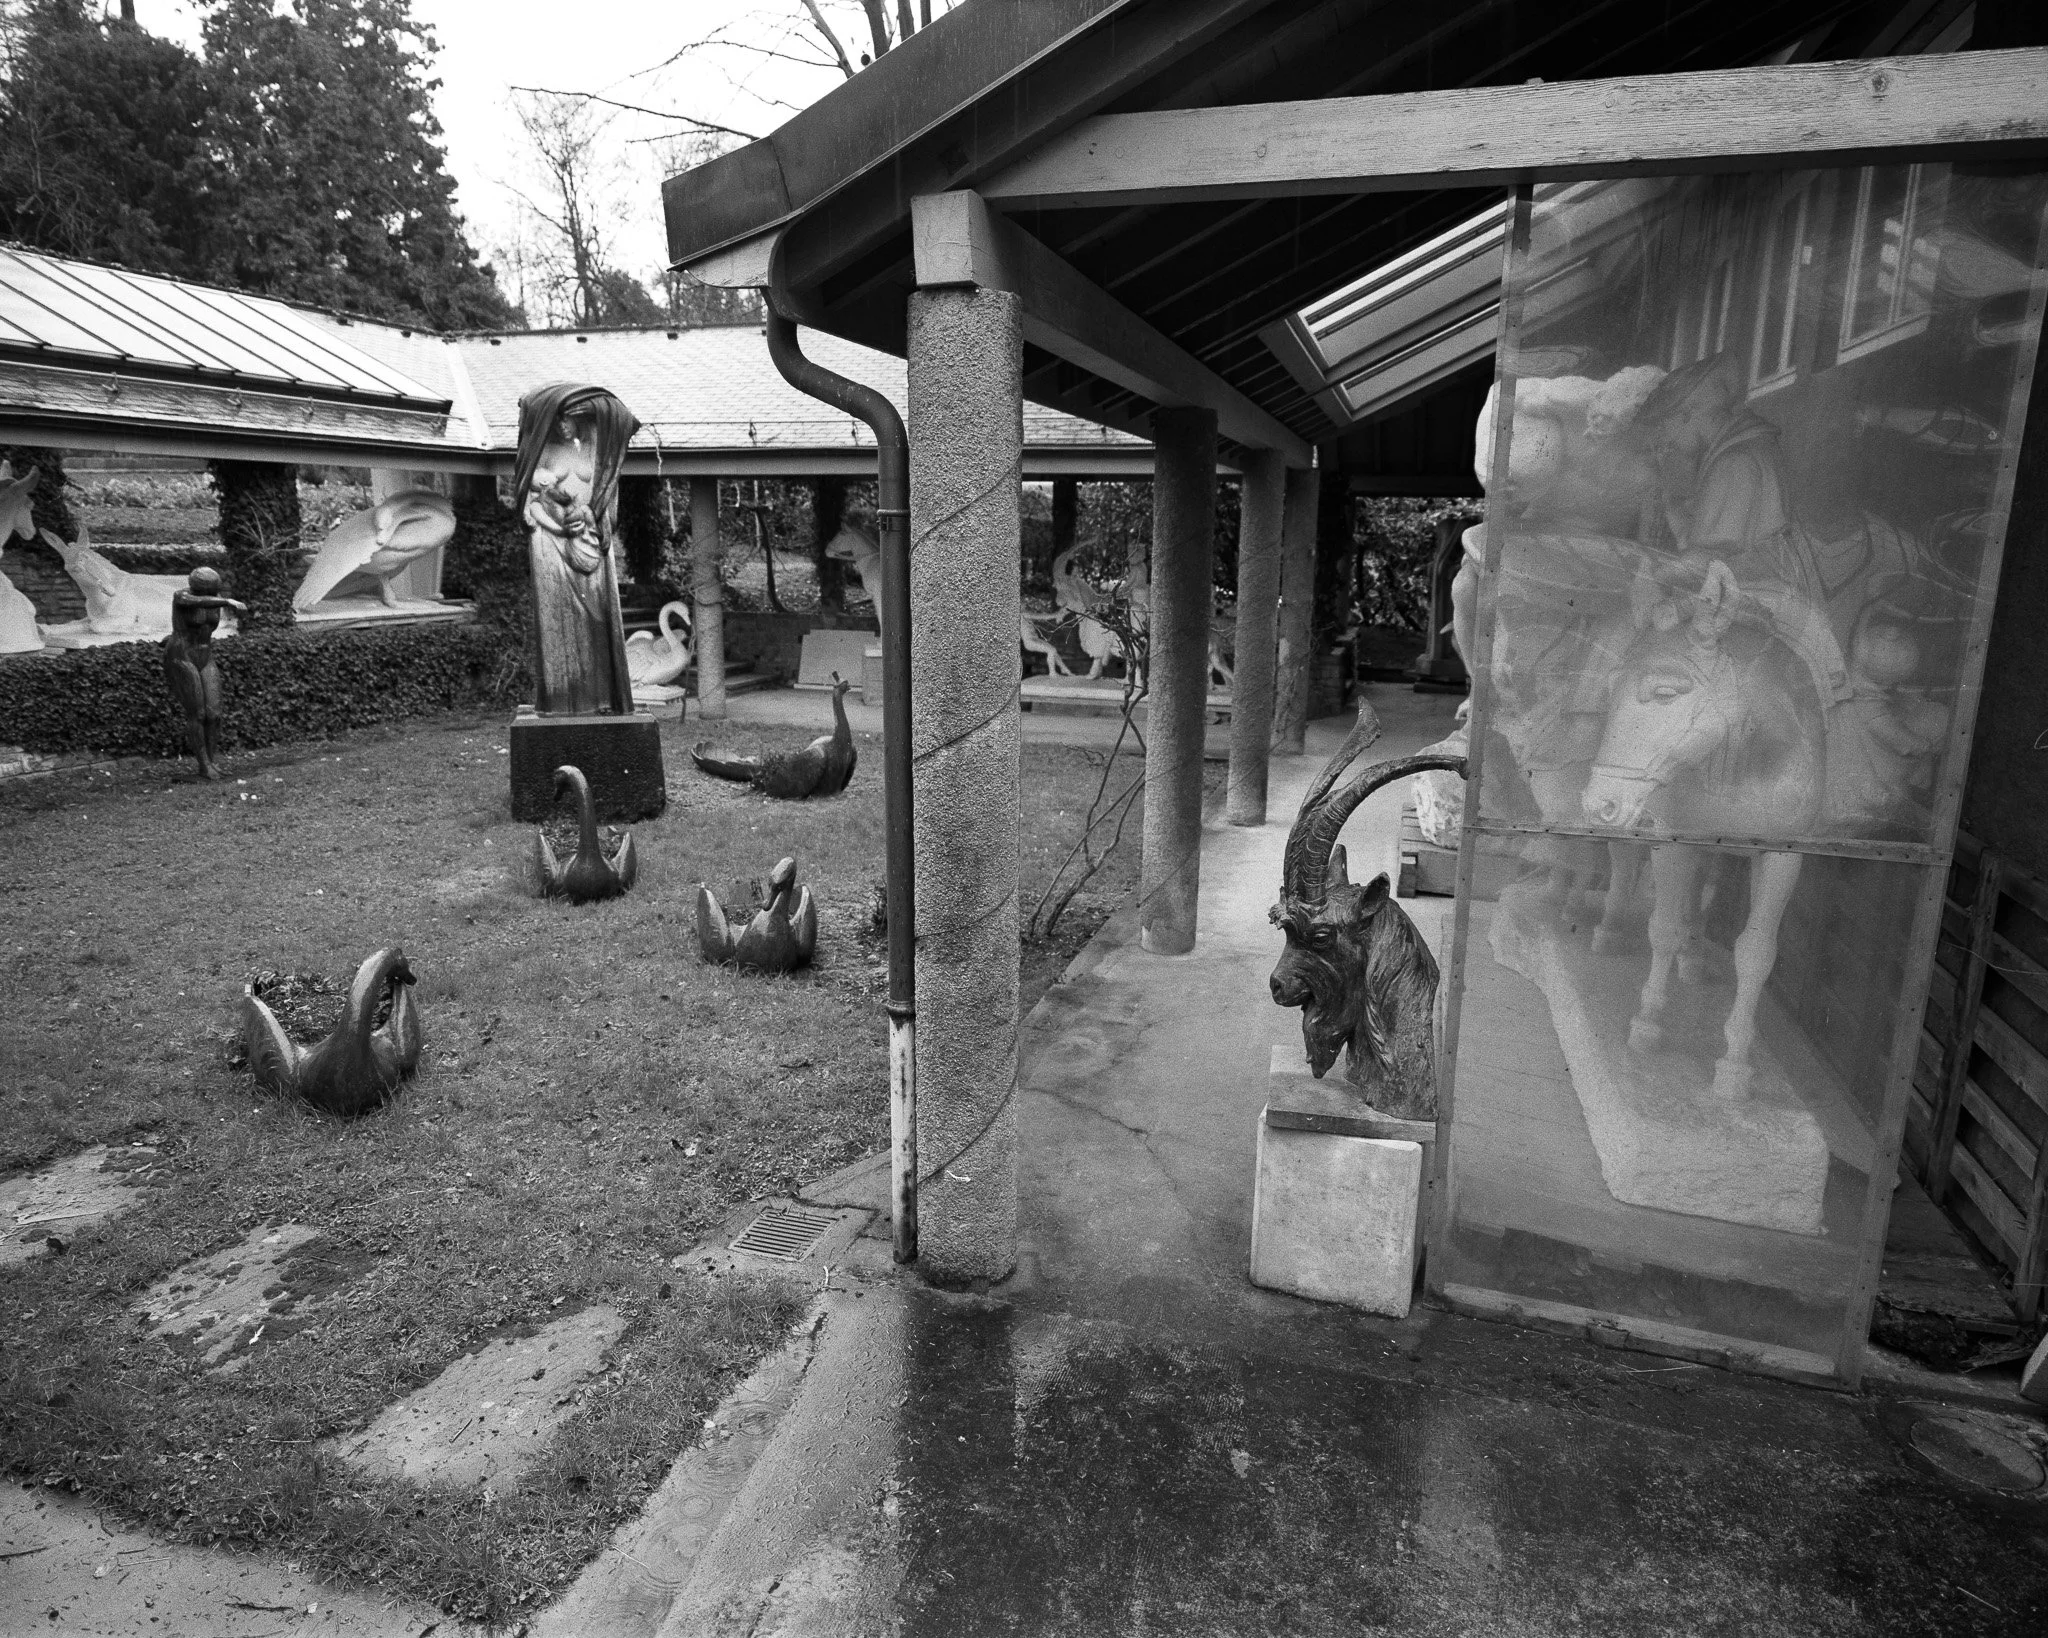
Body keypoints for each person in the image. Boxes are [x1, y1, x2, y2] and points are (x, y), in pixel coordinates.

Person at [512, 383, 640, 716]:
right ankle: (562, 697)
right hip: (552, 539)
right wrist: (554, 523)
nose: (562, 425)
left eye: (569, 418)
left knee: (597, 617)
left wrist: (593, 516)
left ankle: (599, 695)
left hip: (589, 537)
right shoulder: (545, 452)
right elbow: (529, 500)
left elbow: (608, 494)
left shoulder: (598, 450)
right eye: (557, 419)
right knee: (555, 615)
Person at [161, 567, 247, 780]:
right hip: (181, 655)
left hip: (205, 656)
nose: (212, 592)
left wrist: (222, 601)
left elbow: (209, 603)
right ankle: (204, 764)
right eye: (208, 588)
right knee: (197, 713)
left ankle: (211, 761)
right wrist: (228, 602)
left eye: (214, 589)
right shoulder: (182, 596)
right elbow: (195, 603)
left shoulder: (214, 599)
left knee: (214, 713)